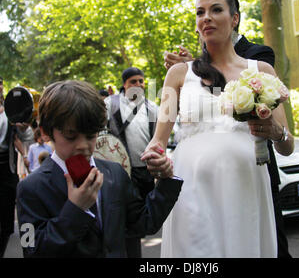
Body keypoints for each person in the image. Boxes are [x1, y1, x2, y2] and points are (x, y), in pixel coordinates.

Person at [141, 0, 294, 257]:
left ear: (235, 18)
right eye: (200, 12)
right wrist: (155, 157)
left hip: (246, 186)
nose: (206, 17)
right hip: (191, 187)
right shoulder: (177, 74)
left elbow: (287, 146)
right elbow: (158, 142)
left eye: (216, 10)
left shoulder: (260, 71)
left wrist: (275, 131)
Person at [16, 80, 182, 258]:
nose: (83, 145)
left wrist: (167, 180)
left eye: (90, 135)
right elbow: (31, 249)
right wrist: (75, 210)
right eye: (71, 135)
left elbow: (143, 222)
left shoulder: (114, 173)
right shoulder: (30, 188)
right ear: (45, 132)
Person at [104, 67, 158, 258]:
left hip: (145, 172)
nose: (138, 85)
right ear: (124, 84)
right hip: (119, 172)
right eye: (133, 81)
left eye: (141, 81)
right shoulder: (110, 104)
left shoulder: (153, 108)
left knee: (139, 222)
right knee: (123, 220)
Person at [0, 76, 34, 257]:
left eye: (0, 83)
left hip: (7, 169)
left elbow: (22, 137)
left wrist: (26, 155)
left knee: (6, 224)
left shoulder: (11, 111)